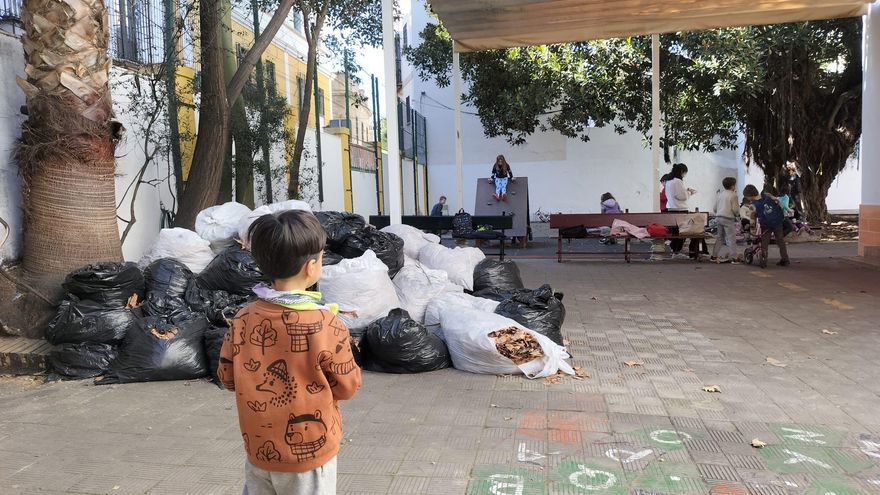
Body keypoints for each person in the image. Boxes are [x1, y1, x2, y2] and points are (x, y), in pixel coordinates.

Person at [218, 210, 362, 495]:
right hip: (310, 456)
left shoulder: (243, 318)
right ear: (311, 266)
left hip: (260, 450)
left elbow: (227, 377)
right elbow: (347, 386)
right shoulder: (327, 324)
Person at [665, 163, 704, 259]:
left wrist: (686, 191)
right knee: (682, 232)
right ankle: (676, 252)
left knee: (676, 232)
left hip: (671, 208)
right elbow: (681, 196)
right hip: (680, 209)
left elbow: (675, 194)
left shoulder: (669, 181)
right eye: (685, 173)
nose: (684, 175)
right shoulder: (678, 181)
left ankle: (675, 251)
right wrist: (690, 192)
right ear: (682, 172)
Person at [752, 185, 790, 268]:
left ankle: (763, 261)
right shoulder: (775, 199)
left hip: (766, 225)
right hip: (777, 222)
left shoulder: (758, 202)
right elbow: (782, 208)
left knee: (764, 242)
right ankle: (785, 259)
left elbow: (755, 213)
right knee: (780, 241)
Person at [711, 177, 739, 262]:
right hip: (728, 218)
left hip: (719, 217)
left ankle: (714, 255)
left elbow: (714, 208)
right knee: (731, 238)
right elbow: (735, 209)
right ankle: (734, 257)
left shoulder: (720, 195)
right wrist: (737, 215)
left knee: (720, 237)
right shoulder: (733, 195)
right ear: (732, 186)